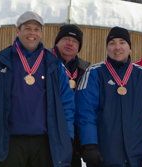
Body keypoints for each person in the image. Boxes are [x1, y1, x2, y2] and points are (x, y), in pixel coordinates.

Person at [0, 11, 75, 167]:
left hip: (45, 144)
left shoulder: (54, 65)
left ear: (41, 33)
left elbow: (67, 103)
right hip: (9, 143)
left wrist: (66, 135)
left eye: (36, 29)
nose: (32, 33)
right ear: (17, 31)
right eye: (27, 28)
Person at [75, 26, 142, 167]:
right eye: (112, 43)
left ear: (130, 48)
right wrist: (89, 145)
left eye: (122, 42)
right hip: (104, 157)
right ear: (107, 48)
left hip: (136, 158)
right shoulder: (94, 73)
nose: (117, 47)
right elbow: (85, 113)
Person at [49, 24, 90, 167]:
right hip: (45, 139)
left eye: (75, 41)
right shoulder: (43, 63)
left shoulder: (86, 70)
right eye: (66, 38)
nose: (70, 43)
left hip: (73, 141)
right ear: (57, 41)